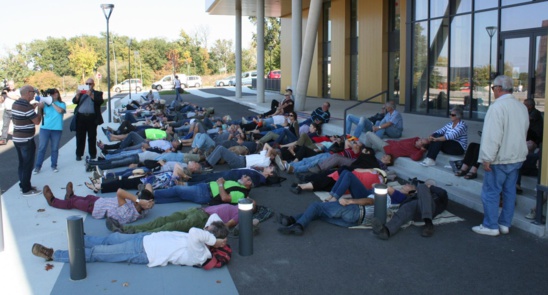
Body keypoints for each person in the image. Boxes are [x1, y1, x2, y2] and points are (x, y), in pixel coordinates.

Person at [31, 217, 229, 268]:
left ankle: (54, 254)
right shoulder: (204, 239)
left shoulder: (201, 253)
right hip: (144, 239)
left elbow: (195, 233)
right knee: (110, 239)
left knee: (98, 252)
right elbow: (212, 217)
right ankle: (78, 239)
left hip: (143, 252)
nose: (205, 228)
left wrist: (215, 240)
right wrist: (215, 236)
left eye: (208, 230)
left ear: (212, 239)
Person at [472, 75, 529, 236]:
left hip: (499, 158)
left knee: (491, 192)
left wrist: (486, 158)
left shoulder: (497, 107)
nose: (493, 91)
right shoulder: (521, 107)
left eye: (492, 88)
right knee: (509, 192)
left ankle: (490, 225)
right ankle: (505, 223)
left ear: (498, 88)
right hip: (517, 157)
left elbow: (492, 136)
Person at [276, 181, 409, 236]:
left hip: (356, 210)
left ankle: (298, 225)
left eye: (409, 186)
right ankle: (290, 219)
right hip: (357, 221)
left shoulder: (391, 196)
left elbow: (370, 201)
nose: (406, 184)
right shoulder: (395, 202)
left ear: (410, 192)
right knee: (321, 214)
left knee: (316, 206)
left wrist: (351, 200)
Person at [43, 181, 155, 225]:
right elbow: (149, 185)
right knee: (83, 198)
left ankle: (52, 201)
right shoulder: (144, 208)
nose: (136, 196)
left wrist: (139, 200)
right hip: (100, 201)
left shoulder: (128, 214)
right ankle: (71, 196)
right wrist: (149, 202)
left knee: (73, 203)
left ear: (139, 204)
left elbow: (120, 192)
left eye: (138, 198)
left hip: (95, 208)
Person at [372, 182, 448, 239]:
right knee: (406, 208)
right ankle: (386, 231)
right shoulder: (408, 198)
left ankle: (428, 223)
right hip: (416, 212)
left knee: (421, 186)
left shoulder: (432, 194)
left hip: (430, 208)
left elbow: (443, 193)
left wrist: (430, 187)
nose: (406, 184)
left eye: (409, 184)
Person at [107, 203, 245, 233]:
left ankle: (126, 230)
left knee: (169, 227)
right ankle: (125, 227)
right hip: (196, 210)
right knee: (162, 220)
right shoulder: (234, 205)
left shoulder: (240, 214)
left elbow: (226, 226)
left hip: (202, 219)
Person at [12, 85, 43, 196]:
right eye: (33, 92)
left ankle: (24, 185)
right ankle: (26, 190)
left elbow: (23, 115)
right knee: (28, 165)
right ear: (27, 93)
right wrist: (40, 108)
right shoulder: (26, 107)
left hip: (17, 138)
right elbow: (37, 121)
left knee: (22, 163)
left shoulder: (16, 104)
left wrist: (32, 107)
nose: (34, 94)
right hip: (26, 140)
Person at [153, 175, 253, 205]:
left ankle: (151, 194)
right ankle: (155, 201)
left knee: (177, 190)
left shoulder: (241, 194)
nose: (243, 176)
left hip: (205, 193)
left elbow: (225, 198)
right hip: (204, 189)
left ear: (248, 183)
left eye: (246, 177)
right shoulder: (237, 184)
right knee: (179, 197)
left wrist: (220, 184)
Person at [34, 88, 66, 174]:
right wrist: (39, 107)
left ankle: (54, 165)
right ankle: (38, 167)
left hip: (57, 129)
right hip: (45, 128)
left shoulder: (62, 104)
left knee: (55, 148)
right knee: (42, 148)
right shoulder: (45, 104)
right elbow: (40, 114)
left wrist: (51, 102)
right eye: (52, 93)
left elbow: (60, 111)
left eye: (56, 93)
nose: (55, 94)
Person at [73, 78, 104, 161]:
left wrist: (91, 95)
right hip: (81, 117)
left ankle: (92, 154)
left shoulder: (97, 93)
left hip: (92, 118)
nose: (88, 85)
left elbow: (100, 101)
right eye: (86, 84)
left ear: (93, 84)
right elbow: (74, 101)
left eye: (90, 84)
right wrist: (77, 94)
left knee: (92, 137)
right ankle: (79, 154)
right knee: (80, 137)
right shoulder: (82, 93)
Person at [364, 131, 429, 161]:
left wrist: (422, 150)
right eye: (421, 139)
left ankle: (366, 155)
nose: (419, 140)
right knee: (370, 146)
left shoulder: (415, 151)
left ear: (422, 147)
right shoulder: (415, 140)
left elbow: (415, 158)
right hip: (389, 143)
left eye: (421, 141)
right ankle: (367, 154)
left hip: (387, 148)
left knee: (368, 134)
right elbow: (416, 138)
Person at [1, 80, 20, 145]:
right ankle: (3, 139)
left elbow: (17, 98)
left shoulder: (17, 91)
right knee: (5, 125)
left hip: (14, 110)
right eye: (9, 85)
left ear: (14, 84)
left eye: (11, 85)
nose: (10, 86)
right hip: (6, 110)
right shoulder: (5, 91)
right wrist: (2, 95)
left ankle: (18, 138)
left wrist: (8, 94)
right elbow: (2, 100)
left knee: (16, 125)